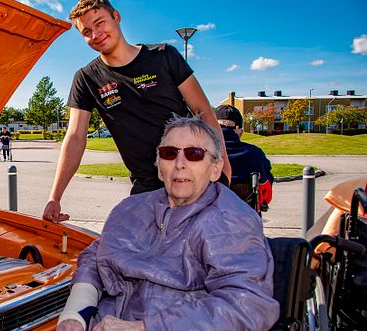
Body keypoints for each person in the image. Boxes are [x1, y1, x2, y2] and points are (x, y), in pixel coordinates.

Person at [56, 116, 278, 331]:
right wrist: (75, 314)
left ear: (215, 169)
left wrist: (145, 327)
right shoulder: (130, 210)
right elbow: (94, 261)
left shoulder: (231, 221)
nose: (180, 164)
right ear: (159, 166)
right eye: (169, 153)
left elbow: (246, 305)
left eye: (194, 154)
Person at [43, 0, 230, 223]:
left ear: (116, 17)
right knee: (141, 254)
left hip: (194, 178)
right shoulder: (87, 79)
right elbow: (75, 137)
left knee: (205, 252)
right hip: (147, 188)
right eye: (86, 32)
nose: (96, 34)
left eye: (100, 23)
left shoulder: (163, 56)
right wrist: (55, 197)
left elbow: (203, 110)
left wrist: (225, 168)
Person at [215, 104, 274, 210]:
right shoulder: (256, 155)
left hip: (208, 223)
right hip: (246, 221)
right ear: (240, 132)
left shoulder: (201, 154)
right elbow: (266, 196)